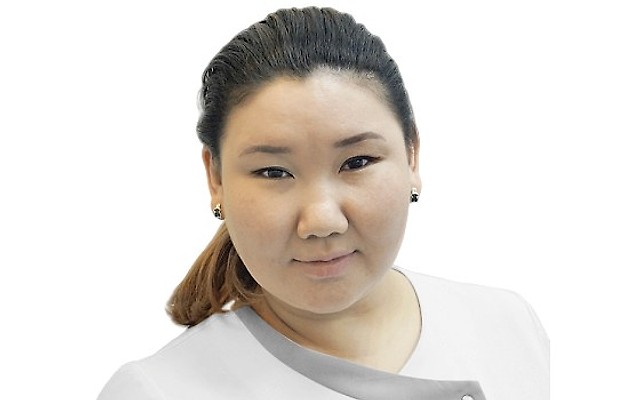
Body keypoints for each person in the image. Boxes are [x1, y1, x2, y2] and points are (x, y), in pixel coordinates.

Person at [98, 6, 549, 400]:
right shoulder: (157, 391)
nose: (321, 220)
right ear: (215, 178)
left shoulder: (509, 326)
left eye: (357, 162)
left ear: (412, 155)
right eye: (273, 172)